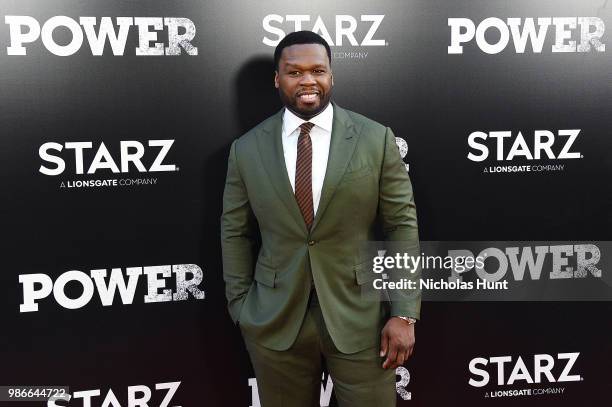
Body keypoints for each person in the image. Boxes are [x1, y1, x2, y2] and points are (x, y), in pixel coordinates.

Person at [221, 30, 420, 407]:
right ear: (277, 80)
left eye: (318, 70)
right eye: (294, 72)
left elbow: (401, 227)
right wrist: (241, 306)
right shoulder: (246, 150)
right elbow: (234, 232)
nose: (308, 80)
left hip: (361, 319)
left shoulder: (375, 139)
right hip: (276, 321)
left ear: (331, 76)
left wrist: (405, 313)